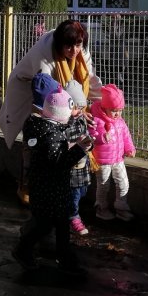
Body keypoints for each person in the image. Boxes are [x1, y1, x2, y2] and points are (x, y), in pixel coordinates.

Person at [0, 19, 100, 204]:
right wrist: (75, 110)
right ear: (59, 43)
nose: (74, 50)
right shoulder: (43, 54)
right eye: (68, 46)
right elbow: (44, 90)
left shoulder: (81, 51)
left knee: (58, 144)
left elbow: (89, 77)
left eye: (78, 45)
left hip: (61, 100)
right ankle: (27, 187)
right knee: (34, 141)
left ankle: (54, 187)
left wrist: (105, 100)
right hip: (32, 94)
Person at [11, 86, 94, 277]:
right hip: (51, 191)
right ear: (60, 114)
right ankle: (23, 250)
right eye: (69, 111)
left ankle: (65, 259)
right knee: (45, 225)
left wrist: (75, 118)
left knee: (60, 225)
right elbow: (60, 163)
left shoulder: (41, 126)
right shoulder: (52, 137)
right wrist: (81, 149)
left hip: (47, 188)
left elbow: (61, 127)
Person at [90, 84, 136, 222]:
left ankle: (121, 207)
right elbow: (92, 135)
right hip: (103, 161)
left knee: (123, 183)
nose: (118, 114)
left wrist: (130, 148)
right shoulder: (97, 120)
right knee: (103, 185)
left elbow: (126, 136)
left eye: (120, 110)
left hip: (118, 159)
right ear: (104, 107)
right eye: (114, 110)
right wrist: (102, 137)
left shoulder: (120, 121)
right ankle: (101, 208)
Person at [63, 80, 92, 236]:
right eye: (76, 108)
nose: (79, 111)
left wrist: (89, 143)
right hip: (71, 166)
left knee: (82, 192)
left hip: (82, 164)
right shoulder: (63, 122)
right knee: (74, 195)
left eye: (81, 108)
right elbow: (62, 142)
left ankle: (70, 211)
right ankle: (73, 217)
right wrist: (75, 145)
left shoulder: (81, 118)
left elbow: (86, 134)